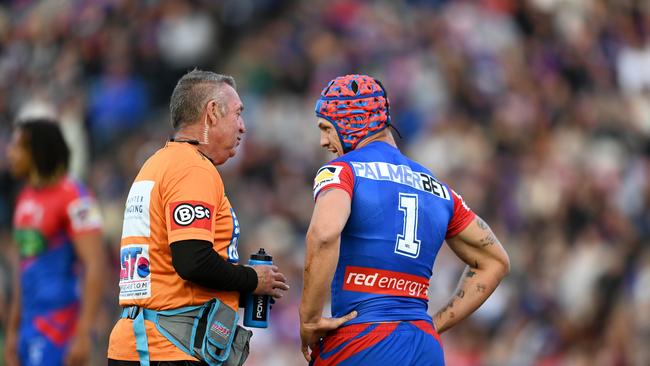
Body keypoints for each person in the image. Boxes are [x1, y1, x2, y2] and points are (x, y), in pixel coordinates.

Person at [299, 74, 510, 365]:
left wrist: (309, 320)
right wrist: (433, 325)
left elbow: (323, 234)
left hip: (362, 341)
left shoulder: (341, 170)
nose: (324, 141)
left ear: (351, 122)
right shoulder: (438, 188)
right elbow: (495, 260)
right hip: (423, 345)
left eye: (326, 128)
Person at [107, 70, 290, 365]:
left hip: (139, 340)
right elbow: (192, 260)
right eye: (238, 114)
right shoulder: (192, 169)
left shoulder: (157, 164)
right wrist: (252, 279)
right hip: (169, 348)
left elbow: (170, 263)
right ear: (213, 113)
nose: (243, 127)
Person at [4, 119, 106, 366]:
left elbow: (95, 264)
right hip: (29, 324)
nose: (10, 152)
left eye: (18, 146)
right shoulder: (25, 198)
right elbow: (24, 267)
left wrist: (83, 333)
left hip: (59, 325)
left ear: (37, 151)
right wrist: (12, 331)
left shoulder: (75, 196)